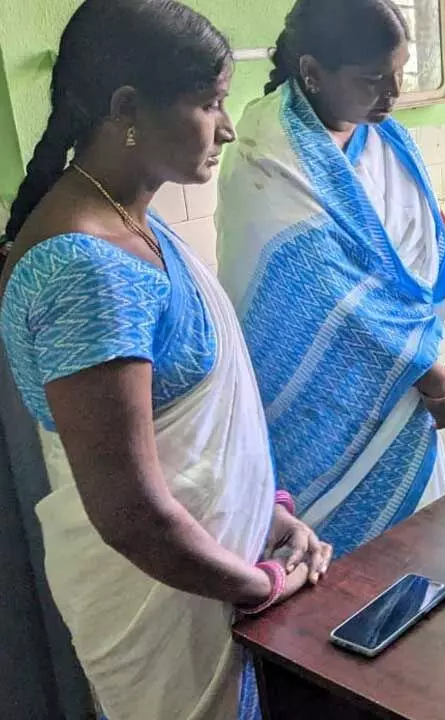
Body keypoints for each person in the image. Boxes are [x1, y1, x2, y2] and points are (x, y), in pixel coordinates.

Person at [0, 2, 332, 718]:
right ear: (128, 108)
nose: (229, 125)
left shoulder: (131, 227)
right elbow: (131, 513)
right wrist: (259, 584)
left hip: (209, 574)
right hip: (166, 602)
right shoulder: (84, 269)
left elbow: (193, 435)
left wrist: (266, 515)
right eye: (210, 102)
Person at [216, 0, 445, 556]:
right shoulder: (271, 158)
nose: (393, 92)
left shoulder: (381, 140)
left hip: (400, 403)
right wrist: (430, 375)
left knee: (420, 563)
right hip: (316, 409)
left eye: (400, 71)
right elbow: (336, 307)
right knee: (338, 581)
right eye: (373, 79)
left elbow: (439, 249)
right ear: (312, 72)